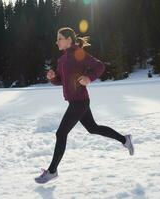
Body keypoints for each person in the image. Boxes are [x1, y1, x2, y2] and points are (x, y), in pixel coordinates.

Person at [35, 27, 134, 184]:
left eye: (59, 38)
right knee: (93, 128)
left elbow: (99, 66)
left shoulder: (78, 54)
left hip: (79, 102)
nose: (57, 41)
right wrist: (53, 78)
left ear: (68, 40)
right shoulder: (62, 60)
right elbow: (62, 80)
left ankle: (52, 171)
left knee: (61, 134)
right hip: (76, 101)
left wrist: (88, 78)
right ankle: (125, 139)